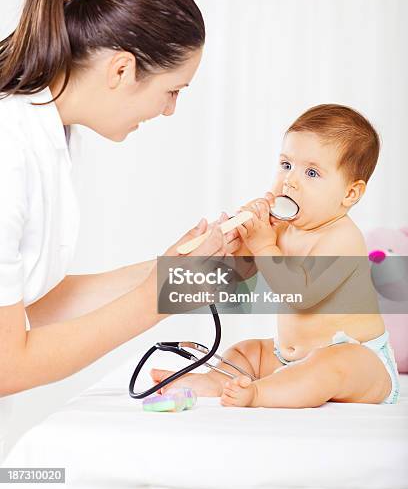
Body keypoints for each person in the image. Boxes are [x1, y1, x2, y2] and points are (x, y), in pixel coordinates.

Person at [0, 0, 234, 398]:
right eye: (173, 91)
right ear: (122, 69)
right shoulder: (7, 150)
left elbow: (29, 308)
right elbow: (5, 365)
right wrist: (154, 299)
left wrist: (172, 275)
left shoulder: (43, 131)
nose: (170, 110)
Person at [151, 104, 400, 407]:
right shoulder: (280, 228)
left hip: (360, 360)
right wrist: (241, 239)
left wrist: (264, 246)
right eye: (285, 165)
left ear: (350, 194)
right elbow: (244, 274)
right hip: (288, 356)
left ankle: (260, 393)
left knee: (331, 364)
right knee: (247, 352)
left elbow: (300, 295)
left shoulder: (343, 238)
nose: (290, 181)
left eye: (311, 172)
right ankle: (210, 381)